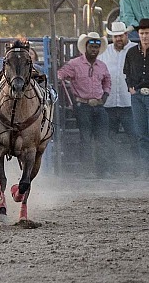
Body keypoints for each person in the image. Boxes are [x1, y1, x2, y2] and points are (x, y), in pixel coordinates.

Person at [57, 32, 112, 178]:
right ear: (85, 47)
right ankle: (87, 170)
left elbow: (107, 81)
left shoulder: (102, 66)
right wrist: (62, 77)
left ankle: (102, 171)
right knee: (86, 139)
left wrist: (105, 96)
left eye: (96, 47)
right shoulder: (74, 64)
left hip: (99, 105)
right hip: (83, 106)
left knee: (103, 140)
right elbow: (61, 74)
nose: (94, 49)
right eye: (92, 46)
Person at [97, 21, 137, 169]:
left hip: (129, 103)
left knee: (135, 137)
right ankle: (109, 169)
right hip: (109, 103)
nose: (118, 39)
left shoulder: (134, 49)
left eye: (120, 35)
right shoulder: (104, 52)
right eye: (115, 36)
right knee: (108, 138)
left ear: (126, 35)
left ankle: (138, 169)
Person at [123, 18, 149, 177]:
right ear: (138, 34)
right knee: (141, 134)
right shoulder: (132, 52)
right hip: (138, 95)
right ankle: (145, 169)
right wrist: (130, 87)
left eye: (147, 33)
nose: (145, 36)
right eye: (142, 33)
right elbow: (127, 72)